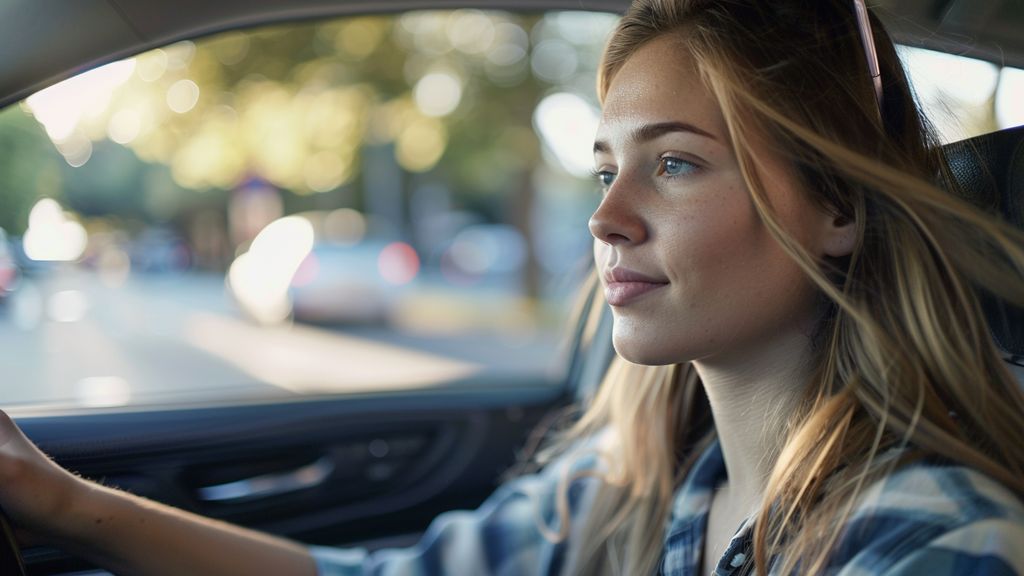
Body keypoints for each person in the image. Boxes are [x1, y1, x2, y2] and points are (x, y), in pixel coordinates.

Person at [2, 0, 1024, 574]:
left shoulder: (932, 540)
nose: (604, 217)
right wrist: (58, 501)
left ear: (835, 207)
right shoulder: (637, 487)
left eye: (672, 163)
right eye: (603, 168)